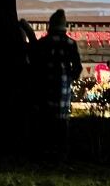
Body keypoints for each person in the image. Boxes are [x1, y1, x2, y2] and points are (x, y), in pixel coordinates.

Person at [31, 9, 83, 160]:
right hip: (63, 91)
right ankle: (61, 153)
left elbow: (35, 65)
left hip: (44, 89)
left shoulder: (43, 43)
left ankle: (45, 152)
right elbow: (77, 67)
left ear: (51, 25)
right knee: (61, 123)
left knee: (45, 122)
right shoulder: (70, 43)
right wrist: (69, 78)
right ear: (64, 26)